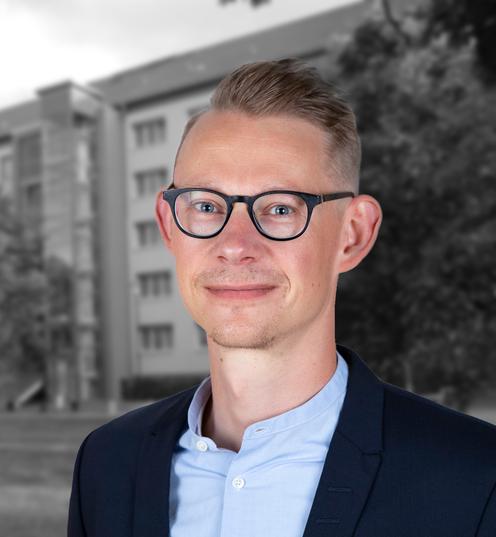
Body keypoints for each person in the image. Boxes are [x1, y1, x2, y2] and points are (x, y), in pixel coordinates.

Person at [66, 59, 496, 537]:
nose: (234, 245)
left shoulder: (476, 478)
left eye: (280, 209)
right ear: (169, 225)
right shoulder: (105, 465)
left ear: (352, 235)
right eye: (207, 206)